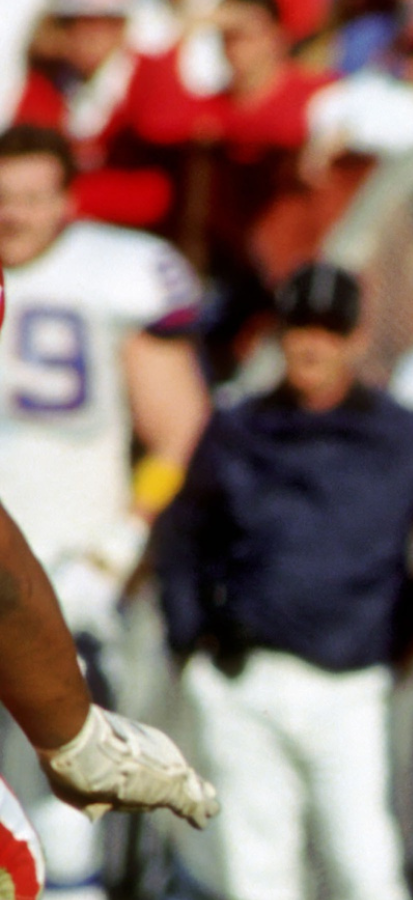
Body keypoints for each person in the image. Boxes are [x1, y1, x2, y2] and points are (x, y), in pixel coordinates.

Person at [154, 262, 413, 900]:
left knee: (363, 860)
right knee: (254, 865)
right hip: (246, 678)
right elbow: (182, 535)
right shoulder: (239, 427)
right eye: (297, 326)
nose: (310, 343)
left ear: (356, 338)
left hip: (349, 684)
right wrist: (191, 640)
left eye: (328, 329)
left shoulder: (405, 437)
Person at [0, 122, 208, 898]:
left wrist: (120, 543)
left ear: (65, 202)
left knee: (61, 771)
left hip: (67, 568)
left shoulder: (114, 272)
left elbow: (180, 429)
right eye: (0, 199)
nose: (12, 216)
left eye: (29, 199)